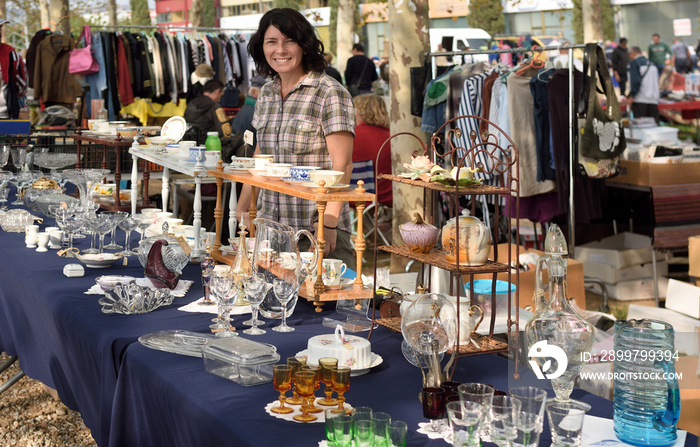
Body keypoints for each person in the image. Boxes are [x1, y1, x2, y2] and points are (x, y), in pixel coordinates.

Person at [236, 8, 356, 266]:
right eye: (272, 42)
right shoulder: (266, 93)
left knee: (321, 304)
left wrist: (329, 223)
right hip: (269, 230)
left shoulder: (329, 93)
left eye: (289, 40)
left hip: (312, 231)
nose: (280, 50)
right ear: (262, 48)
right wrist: (242, 207)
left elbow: (342, 165)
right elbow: (260, 156)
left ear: (304, 46)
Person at [352, 94, 392, 207]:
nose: (354, 114)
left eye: (357, 110)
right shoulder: (391, 138)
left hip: (352, 197)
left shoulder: (351, 136)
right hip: (386, 197)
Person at [183, 79, 234, 152]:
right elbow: (225, 132)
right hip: (210, 147)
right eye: (221, 96)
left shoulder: (191, 104)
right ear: (217, 91)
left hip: (189, 146)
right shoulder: (215, 107)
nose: (220, 100)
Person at [623, 46, 660, 123]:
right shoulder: (652, 64)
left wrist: (632, 96)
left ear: (632, 53)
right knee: (653, 126)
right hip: (653, 99)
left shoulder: (634, 63)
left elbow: (635, 81)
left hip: (640, 98)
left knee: (641, 127)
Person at [0, 19, 27, 119]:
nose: (0, 31)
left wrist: (12, 100)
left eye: (0, 28)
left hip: (5, 115)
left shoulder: (11, 54)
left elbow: (22, 83)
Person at [231, 75, 267, 151]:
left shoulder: (247, 107)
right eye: (263, 91)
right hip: (249, 153)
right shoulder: (252, 111)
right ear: (253, 92)